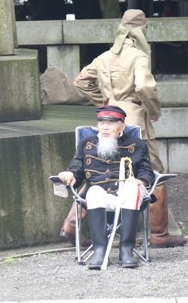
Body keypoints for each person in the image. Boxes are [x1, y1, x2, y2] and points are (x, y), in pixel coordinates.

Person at [65, 9, 187, 248]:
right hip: (134, 118)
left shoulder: (104, 57)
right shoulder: (139, 56)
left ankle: (71, 225)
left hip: (108, 118)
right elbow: (144, 85)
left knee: (99, 169)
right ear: (142, 31)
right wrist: (153, 111)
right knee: (152, 168)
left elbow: (79, 81)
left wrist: (105, 103)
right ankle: (159, 234)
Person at [57, 105, 155, 269]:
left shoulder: (137, 144)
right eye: (101, 123)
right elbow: (76, 169)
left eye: (110, 123)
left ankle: (126, 250)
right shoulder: (86, 144)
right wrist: (70, 174)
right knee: (94, 191)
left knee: (131, 189)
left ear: (122, 126)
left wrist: (141, 181)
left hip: (129, 196)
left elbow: (147, 171)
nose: (105, 127)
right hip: (100, 197)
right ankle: (100, 251)